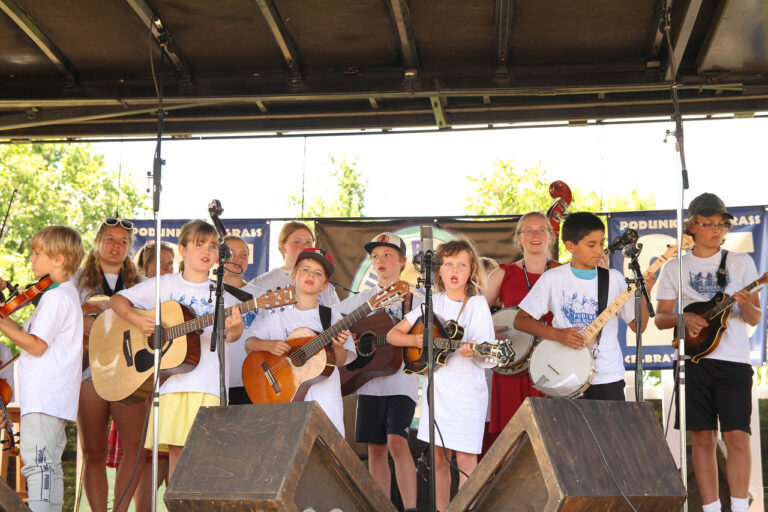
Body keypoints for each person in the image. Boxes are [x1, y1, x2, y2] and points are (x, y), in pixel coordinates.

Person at [110, 220, 243, 479]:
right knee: (178, 459)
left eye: (213, 246)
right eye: (199, 244)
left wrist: (235, 329)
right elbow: (118, 300)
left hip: (210, 386)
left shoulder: (224, 293)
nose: (207, 251)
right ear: (182, 250)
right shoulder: (165, 284)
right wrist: (138, 321)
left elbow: (232, 336)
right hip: (174, 384)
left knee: (207, 461)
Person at [655, 193, 762, 512]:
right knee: (702, 438)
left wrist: (745, 302)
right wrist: (683, 318)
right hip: (693, 363)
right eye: (708, 224)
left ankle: (740, 508)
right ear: (691, 226)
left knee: (737, 437)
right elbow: (660, 318)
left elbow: (755, 318)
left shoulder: (741, 263)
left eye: (721, 224)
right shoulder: (675, 267)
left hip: (733, 363)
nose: (716, 230)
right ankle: (711, 508)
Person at [387, 239, 495, 512]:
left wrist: (475, 352)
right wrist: (416, 343)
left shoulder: (477, 304)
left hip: (468, 394)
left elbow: (490, 353)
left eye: (461, 264)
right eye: (448, 264)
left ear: (471, 270)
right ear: (439, 270)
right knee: (438, 459)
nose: (454, 269)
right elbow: (392, 335)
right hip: (438, 393)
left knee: (467, 461)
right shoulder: (429, 306)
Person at [514, 211, 654, 401]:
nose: (599, 250)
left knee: (608, 431)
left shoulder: (614, 279)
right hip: (564, 374)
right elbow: (520, 321)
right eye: (591, 245)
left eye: (601, 244)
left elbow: (639, 327)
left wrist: (646, 294)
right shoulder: (553, 279)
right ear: (570, 246)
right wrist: (558, 335)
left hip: (607, 376)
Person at [333, 233, 422, 512]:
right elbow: (332, 319)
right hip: (368, 382)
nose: (380, 261)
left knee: (397, 443)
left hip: (401, 383)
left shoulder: (415, 301)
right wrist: (351, 339)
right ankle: (382, 507)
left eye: (387, 255)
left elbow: (422, 335)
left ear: (402, 261)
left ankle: (410, 509)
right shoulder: (364, 299)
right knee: (375, 447)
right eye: (375, 256)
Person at [0, 225, 84, 512]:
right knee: (47, 466)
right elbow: (29, 338)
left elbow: (36, 345)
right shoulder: (59, 294)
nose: (32, 260)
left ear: (59, 259)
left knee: (39, 466)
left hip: (46, 396)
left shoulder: (56, 297)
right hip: (50, 397)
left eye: (37, 253)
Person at [75, 218, 145, 512]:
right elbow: (59, 318)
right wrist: (85, 316)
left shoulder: (141, 283)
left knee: (137, 449)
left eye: (123, 241)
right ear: (97, 242)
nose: (116, 246)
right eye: (110, 239)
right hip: (88, 370)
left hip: (130, 371)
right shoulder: (76, 280)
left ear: (129, 248)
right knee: (93, 451)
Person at [245, 248, 353, 434]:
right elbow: (249, 343)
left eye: (318, 273)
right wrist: (269, 345)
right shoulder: (276, 315)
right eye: (306, 269)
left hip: (325, 400)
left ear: (325, 285)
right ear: (293, 276)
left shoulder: (333, 318)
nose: (311, 275)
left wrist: (338, 347)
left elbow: (341, 361)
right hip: (286, 399)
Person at [483, 212, 560, 440]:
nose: (535, 235)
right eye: (528, 230)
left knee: (551, 437)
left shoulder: (564, 272)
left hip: (554, 362)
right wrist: (489, 332)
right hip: (513, 366)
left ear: (551, 236)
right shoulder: (503, 274)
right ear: (518, 237)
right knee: (512, 438)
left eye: (541, 230)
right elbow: (473, 313)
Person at [130, 241, 175, 512]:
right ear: (145, 265)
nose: (168, 268)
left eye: (171, 263)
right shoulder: (141, 293)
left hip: (172, 380)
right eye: (161, 262)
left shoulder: (177, 293)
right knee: (147, 457)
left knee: (173, 454)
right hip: (144, 380)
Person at [249, 221, 339, 306]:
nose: (304, 246)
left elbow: (336, 316)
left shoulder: (325, 285)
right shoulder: (262, 283)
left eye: (308, 242)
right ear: (282, 246)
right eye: (297, 242)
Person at [221, 235, 264, 405]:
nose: (238, 259)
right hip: (213, 382)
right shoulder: (206, 292)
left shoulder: (261, 296)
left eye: (244, 254)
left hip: (251, 380)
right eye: (231, 253)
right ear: (220, 257)